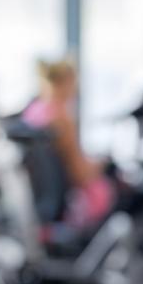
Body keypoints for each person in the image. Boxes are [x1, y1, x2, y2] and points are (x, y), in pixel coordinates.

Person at [21, 58, 116, 231]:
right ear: (67, 82)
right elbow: (80, 174)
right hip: (74, 205)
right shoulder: (61, 118)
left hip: (40, 201)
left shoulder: (33, 111)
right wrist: (103, 164)